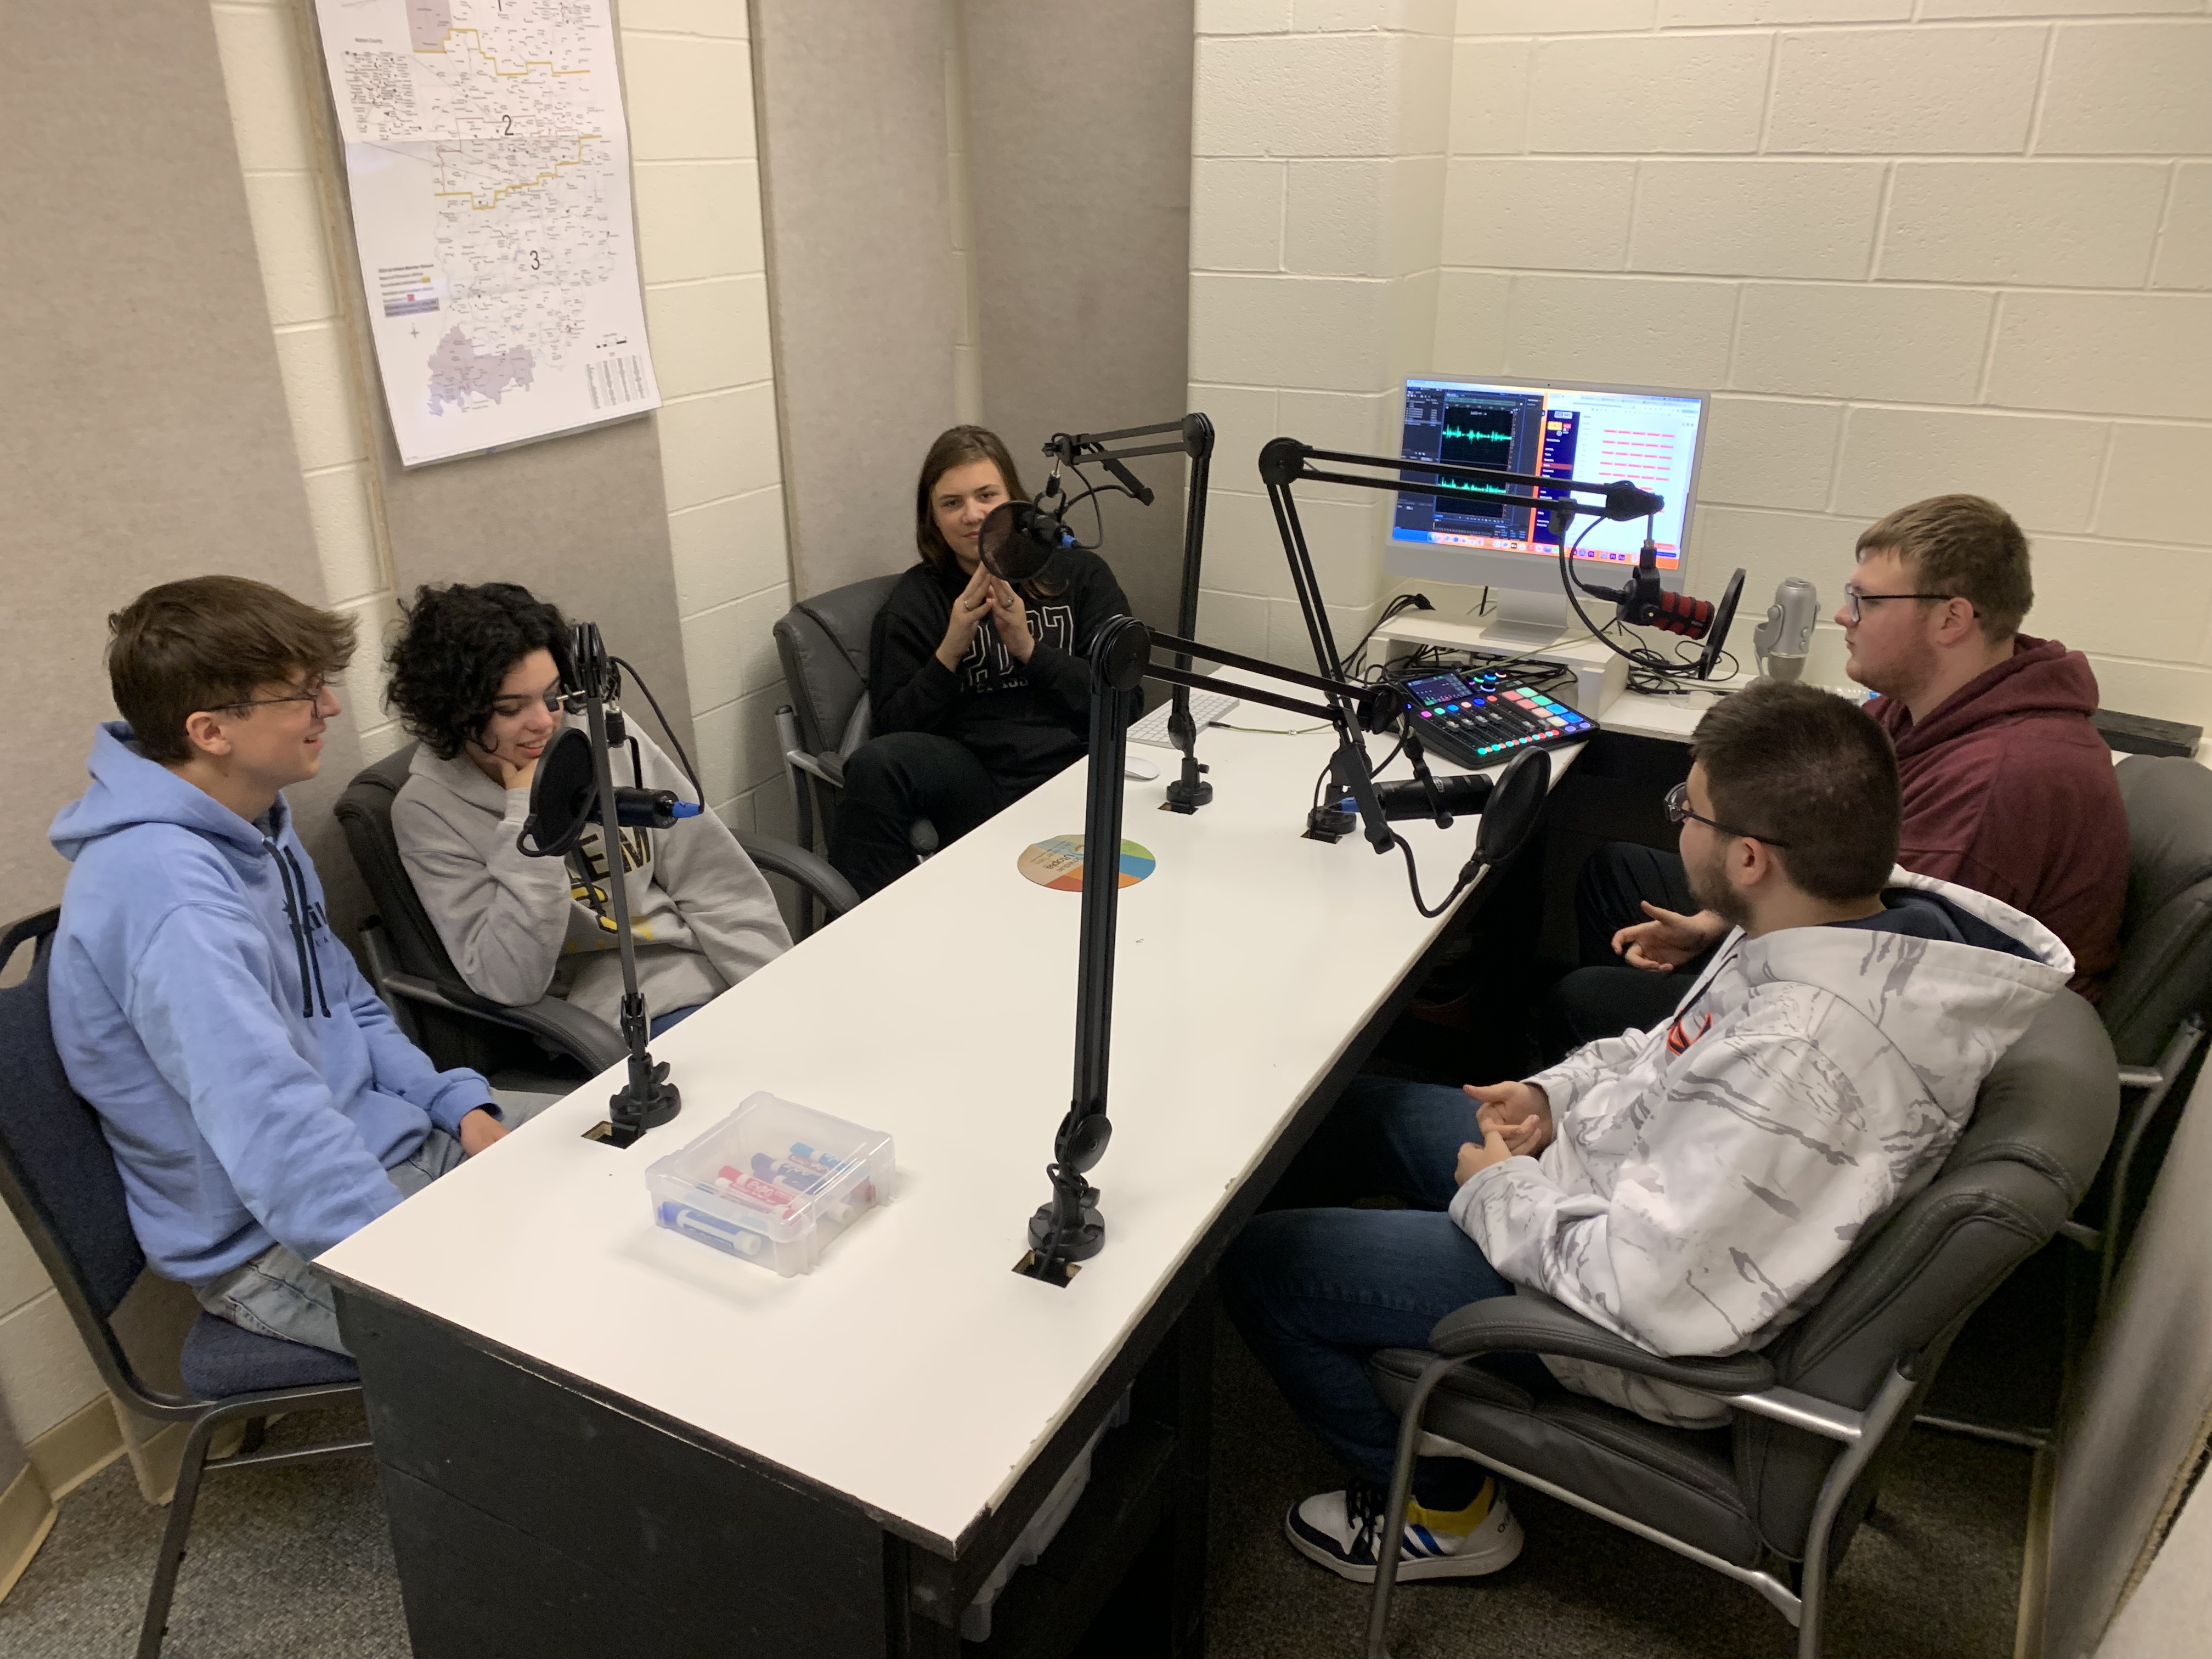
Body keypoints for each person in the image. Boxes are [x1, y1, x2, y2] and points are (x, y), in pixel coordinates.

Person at [1222, 681, 2070, 1584]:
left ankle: (1439, 1508)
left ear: (1749, 856)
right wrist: (1550, 1096)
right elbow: (1660, 1047)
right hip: (1604, 1191)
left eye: (1686, 809)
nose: (1677, 826)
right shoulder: (1824, 922)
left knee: (1263, 1263)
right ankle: (1370, 1326)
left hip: (1622, 1315)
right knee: (1355, 1110)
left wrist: (1498, 1188)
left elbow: (1654, 1294)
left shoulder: (1805, 1054)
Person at [48, 577, 515, 1357]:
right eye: (303, 694)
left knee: (610, 1174)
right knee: (567, 1334)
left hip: (383, 1148)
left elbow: (348, 1004)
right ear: (210, 731)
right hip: (279, 1241)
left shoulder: (253, 823)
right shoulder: (168, 894)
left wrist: (455, 1105)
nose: (329, 708)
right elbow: (270, 1120)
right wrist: (412, 1270)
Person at [1555, 493, 2124, 1054]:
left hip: (1904, 1020)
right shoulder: (1923, 705)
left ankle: (1644, 1079)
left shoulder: (1999, 779)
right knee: (1618, 872)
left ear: (1952, 618)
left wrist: (1729, 937)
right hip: (1859, 935)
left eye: (1866, 601)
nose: (1844, 615)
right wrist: (1712, 922)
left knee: (1586, 999)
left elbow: (1876, 962)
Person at [386, 582, 789, 1034]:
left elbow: (712, 879)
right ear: (455, 713)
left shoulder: (596, 730)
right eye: (511, 709)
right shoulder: (428, 812)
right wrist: (529, 814)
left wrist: (778, 990)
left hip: (709, 974)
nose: (544, 721)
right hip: (614, 1022)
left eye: (552, 695)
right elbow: (509, 980)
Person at [827, 425, 1132, 899]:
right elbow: (894, 727)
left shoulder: (1080, 574)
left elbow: (1126, 704)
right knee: (875, 765)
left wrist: (1029, 650)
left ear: (1014, 501)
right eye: (952, 503)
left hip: (1079, 767)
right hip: (978, 778)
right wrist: (951, 647)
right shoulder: (915, 601)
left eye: (986, 496)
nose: (972, 515)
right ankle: (877, 923)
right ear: (932, 518)